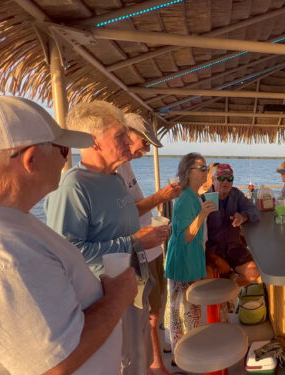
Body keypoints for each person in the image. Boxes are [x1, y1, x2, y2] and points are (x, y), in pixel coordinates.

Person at [0, 95, 136, 374]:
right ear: (31, 159)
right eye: (63, 151)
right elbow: (53, 364)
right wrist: (117, 298)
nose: (66, 159)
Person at [45, 101, 169, 375]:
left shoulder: (114, 179)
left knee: (139, 358)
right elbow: (66, 252)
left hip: (132, 288)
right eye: (120, 136)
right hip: (101, 300)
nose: (129, 142)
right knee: (120, 363)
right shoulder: (74, 186)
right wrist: (136, 242)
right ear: (93, 142)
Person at [116, 113, 182, 375]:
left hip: (150, 248)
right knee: (148, 315)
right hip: (138, 249)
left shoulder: (126, 165)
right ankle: (155, 366)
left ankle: (156, 361)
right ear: (127, 135)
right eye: (144, 145)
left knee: (155, 309)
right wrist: (160, 197)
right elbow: (126, 212)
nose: (143, 151)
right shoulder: (114, 169)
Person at [165, 153, 218, 348]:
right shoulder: (184, 198)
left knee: (192, 312)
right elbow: (184, 237)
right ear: (188, 172)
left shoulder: (195, 196)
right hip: (183, 263)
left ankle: (190, 351)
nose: (207, 171)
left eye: (206, 168)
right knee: (183, 313)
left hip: (192, 261)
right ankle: (185, 354)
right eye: (202, 168)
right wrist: (203, 214)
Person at [205, 163, 261, 286]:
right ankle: (223, 291)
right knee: (206, 279)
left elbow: (255, 212)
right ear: (213, 180)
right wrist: (214, 257)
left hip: (233, 247)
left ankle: (228, 285)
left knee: (255, 271)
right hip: (212, 251)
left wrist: (243, 216)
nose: (226, 182)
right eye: (221, 178)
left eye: (229, 179)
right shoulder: (204, 199)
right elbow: (198, 236)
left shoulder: (236, 195)